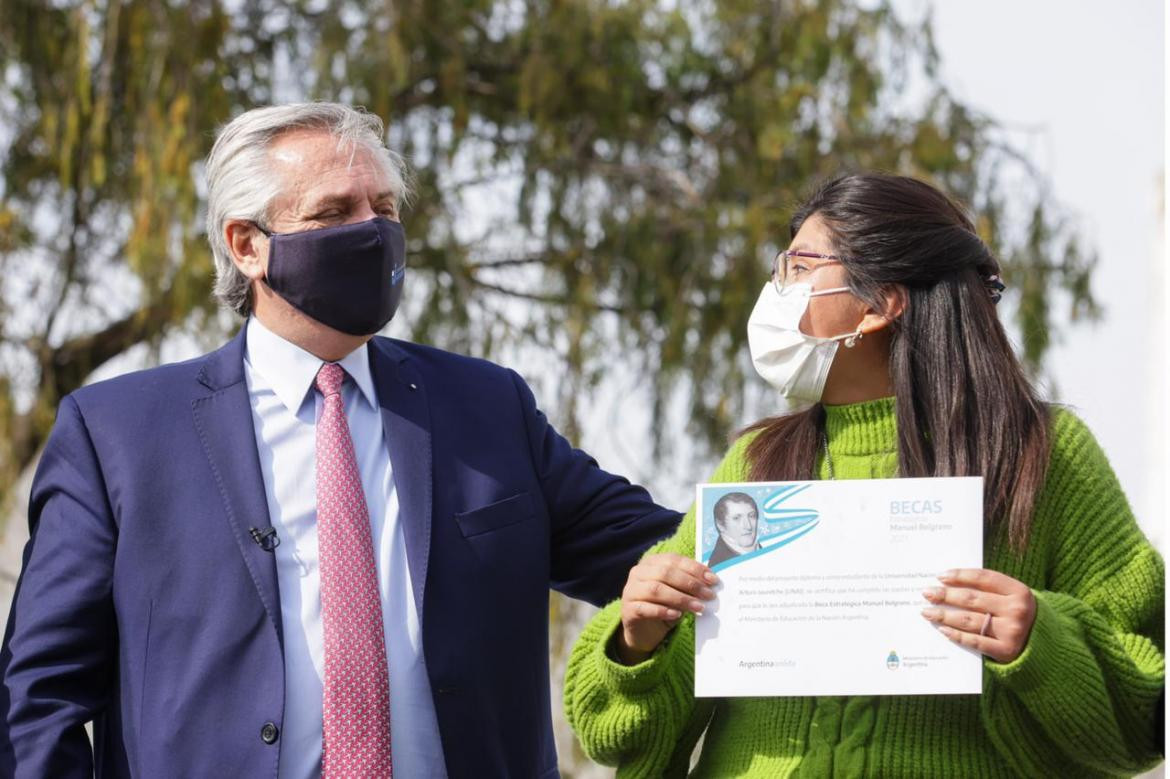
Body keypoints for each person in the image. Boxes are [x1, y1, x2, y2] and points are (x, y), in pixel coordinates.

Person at [0, 103, 681, 778]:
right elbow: (38, 696)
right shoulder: (117, 432)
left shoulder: (487, 407)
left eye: (383, 209)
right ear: (248, 245)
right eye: (333, 213)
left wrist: (787, 448)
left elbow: (670, 554)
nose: (372, 232)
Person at [564, 173, 1165, 777]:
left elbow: (1148, 711)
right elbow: (614, 733)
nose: (776, 290)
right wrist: (636, 640)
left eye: (799, 268)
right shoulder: (755, 466)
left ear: (880, 303)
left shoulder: (1043, 454)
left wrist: (1042, 640)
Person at [707, 492, 760, 567]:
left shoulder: (765, 552)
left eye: (751, 516)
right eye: (736, 518)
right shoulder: (718, 565)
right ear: (720, 525)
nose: (748, 526)